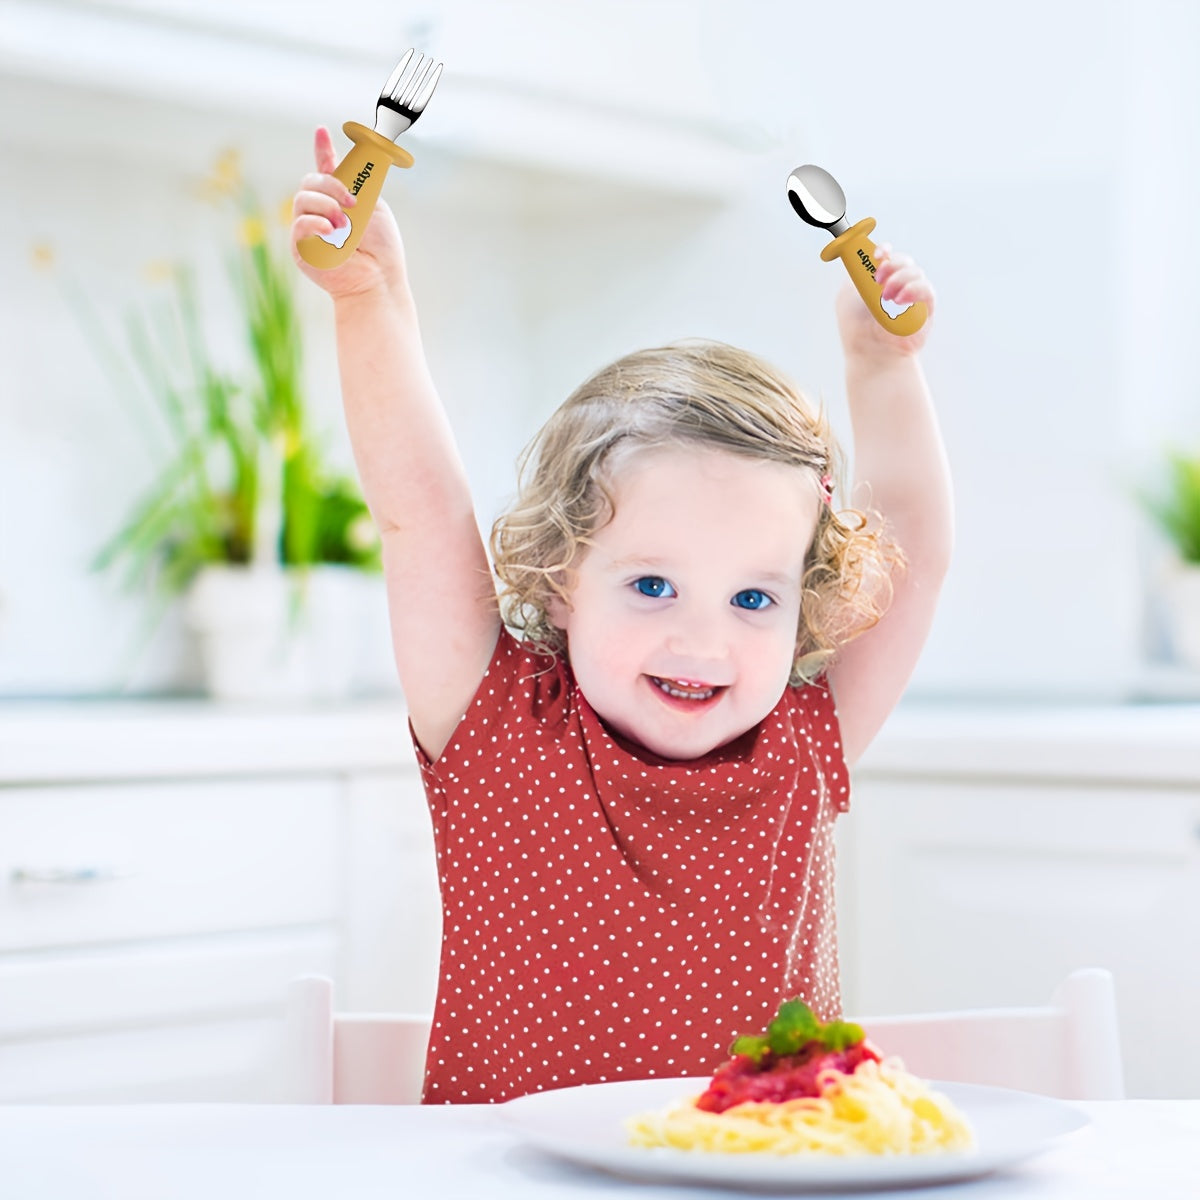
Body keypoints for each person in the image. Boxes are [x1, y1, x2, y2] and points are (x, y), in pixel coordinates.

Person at [291, 127, 952, 1104]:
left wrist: (884, 368)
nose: (702, 639)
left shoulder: (807, 738)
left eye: (754, 597)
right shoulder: (496, 727)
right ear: (561, 576)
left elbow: (915, 559)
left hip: (751, 1179)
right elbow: (420, 512)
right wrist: (370, 299)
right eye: (651, 586)